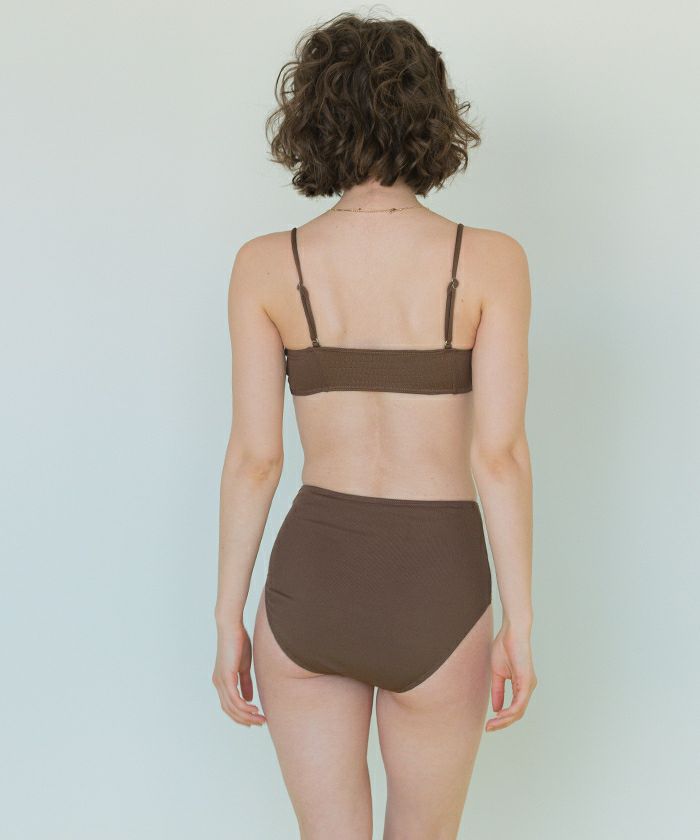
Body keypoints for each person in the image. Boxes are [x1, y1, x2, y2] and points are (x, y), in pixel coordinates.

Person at [212, 11, 536, 839]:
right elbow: (499, 456)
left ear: (312, 119)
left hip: (309, 590)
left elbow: (255, 459)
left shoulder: (265, 265)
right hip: (439, 590)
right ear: (432, 116)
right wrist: (521, 623)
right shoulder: (490, 260)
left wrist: (228, 617)